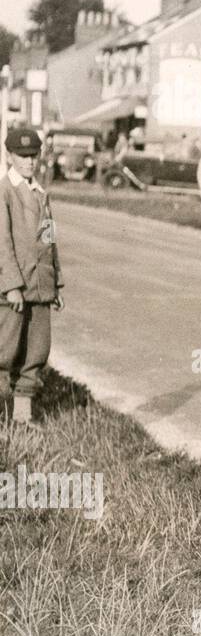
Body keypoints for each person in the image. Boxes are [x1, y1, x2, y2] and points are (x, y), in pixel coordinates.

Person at [0, 127, 63, 424]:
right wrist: (11, 285)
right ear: (8, 155)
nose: (28, 162)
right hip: (16, 287)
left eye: (33, 156)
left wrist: (55, 283)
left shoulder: (41, 192)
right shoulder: (4, 191)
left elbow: (50, 240)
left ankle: (22, 418)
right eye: (21, 156)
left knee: (37, 349)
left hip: (40, 287)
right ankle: (3, 414)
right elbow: (2, 243)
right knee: (7, 350)